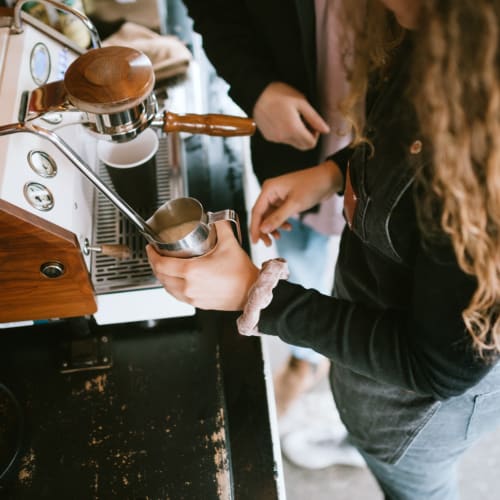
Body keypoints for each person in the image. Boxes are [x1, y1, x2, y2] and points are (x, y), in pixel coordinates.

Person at [147, 0, 500, 497]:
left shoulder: (486, 183)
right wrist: (334, 172)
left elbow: (438, 366)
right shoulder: (435, 43)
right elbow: (407, 136)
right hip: (376, 357)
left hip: (418, 412)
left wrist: (257, 293)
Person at [181, 0, 351, 423]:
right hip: (294, 144)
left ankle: (346, 379)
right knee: (298, 256)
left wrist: (256, 300)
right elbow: (213, 9)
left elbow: (431, 360)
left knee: (373, 284)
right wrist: (257, 88)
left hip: (397, 150)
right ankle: (305, 361)